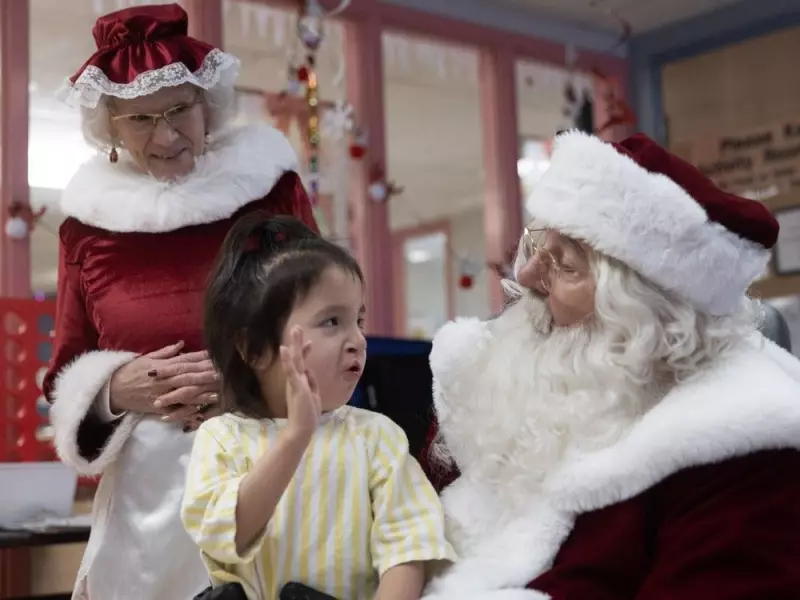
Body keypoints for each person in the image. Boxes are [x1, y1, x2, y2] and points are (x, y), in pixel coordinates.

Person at [418, 131, 800, 600]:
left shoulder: (743, 448)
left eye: (565, 265)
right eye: (536, 244)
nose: (526, 275)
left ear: (643, 312)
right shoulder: (494, 377)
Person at [42, 4, 318, 599]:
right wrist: (117, 389)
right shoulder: (86, 230)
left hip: (265, 475)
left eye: (178, 111)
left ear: (207, 102)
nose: (166, 135)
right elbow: (65, 370)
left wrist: (246, 384)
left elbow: (328, 323)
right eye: (140, 119)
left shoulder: (270, 192)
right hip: (145, 510)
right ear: (110, 126)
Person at [181, 214, 456, 600]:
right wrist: (296, 436)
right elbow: (226, 532)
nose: (357, 339)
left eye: (359, 320)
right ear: (254, 349)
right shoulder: (223, 437)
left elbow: (409, 548)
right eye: (331, 321)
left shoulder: (376, 437)